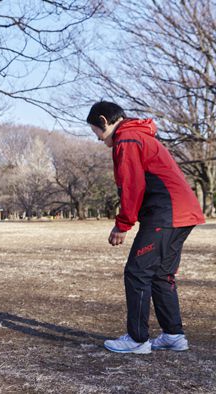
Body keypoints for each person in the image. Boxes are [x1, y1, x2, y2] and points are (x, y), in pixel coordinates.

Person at [87, 101, 205, 354]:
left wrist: (123, 224)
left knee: (137, 272)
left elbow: (133, 185)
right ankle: (173, 335)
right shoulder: (136, 135)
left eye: (95, 131)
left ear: (103, 121)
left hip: (167, 213)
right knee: (161, 274)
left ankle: (137, 339)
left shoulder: (127, 139)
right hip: (181, 212)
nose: (97, 139)